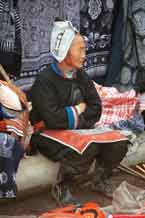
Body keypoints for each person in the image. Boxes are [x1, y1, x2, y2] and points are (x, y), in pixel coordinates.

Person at [29, 19, 128, 205]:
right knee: (86, 146)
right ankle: (62, 186)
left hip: (75, 129)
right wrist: (79, 109)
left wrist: (77, 120)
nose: (85, 55)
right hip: (46, 135)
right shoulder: (45, 81)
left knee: (119, 142)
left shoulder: (80, 75)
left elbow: (96, 108)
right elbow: (53, 120)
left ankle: (100, 179)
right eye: (80, 49)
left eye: (84, 49)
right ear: (64, 51)